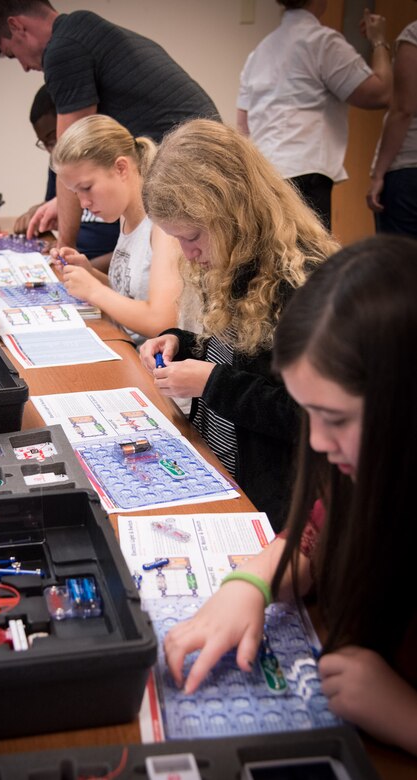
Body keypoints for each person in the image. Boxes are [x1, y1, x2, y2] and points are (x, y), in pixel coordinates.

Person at [163, 235, 417, 756]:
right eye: (308, 414)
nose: (318, 442)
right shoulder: (362, 466)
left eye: (337, 419)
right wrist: (252, 581)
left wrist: (403, 714)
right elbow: (316, 532)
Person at [139, 119, 339, 532]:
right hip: (223, 471)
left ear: (232, 212)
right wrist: (183, 343)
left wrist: (212, 384)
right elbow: (240, 355)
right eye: (176, 239)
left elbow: (311, 416)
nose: (188, 254)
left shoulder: (301, 281)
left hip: (274, 505)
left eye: (192, 235)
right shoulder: (234, 258)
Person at [0, 0, 219, 247]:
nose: (23, 67)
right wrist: (58, 205)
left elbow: (71, 156)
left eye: (13, 54)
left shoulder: (63, 49)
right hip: (202, 161)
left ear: (17, 26)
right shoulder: (85, 31)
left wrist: (64, 249)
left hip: (188, 172)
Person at [237, 0, 392, 230]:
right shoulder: (323, 42)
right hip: (304, 175)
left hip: (262, 176)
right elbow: (381, 93)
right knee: (310, 261)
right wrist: (379, 41)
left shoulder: (258, 53)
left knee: (272, 259)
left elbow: (243, 126)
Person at [48, 114, 182, 346]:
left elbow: (162, 321)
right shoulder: (125, 215)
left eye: (87, 188)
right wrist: (90, 273)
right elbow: (132, 296)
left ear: (121, 168)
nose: (83, 204)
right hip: (126, 345)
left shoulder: (162, 225)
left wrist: (93, 291)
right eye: (76, 192)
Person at [13, 85, 120, 271]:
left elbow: (130, 257)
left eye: (86, 187)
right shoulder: (59, 164)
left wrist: (85, 270)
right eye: (44, 143)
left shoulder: (110, 168)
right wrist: (39, 211)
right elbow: (55, 211)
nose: (83, 202)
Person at [367, 18, 417, 237]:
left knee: (400, 264)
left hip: (409, 168)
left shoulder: (414, 34)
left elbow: (404, 109)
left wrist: (379, 174)